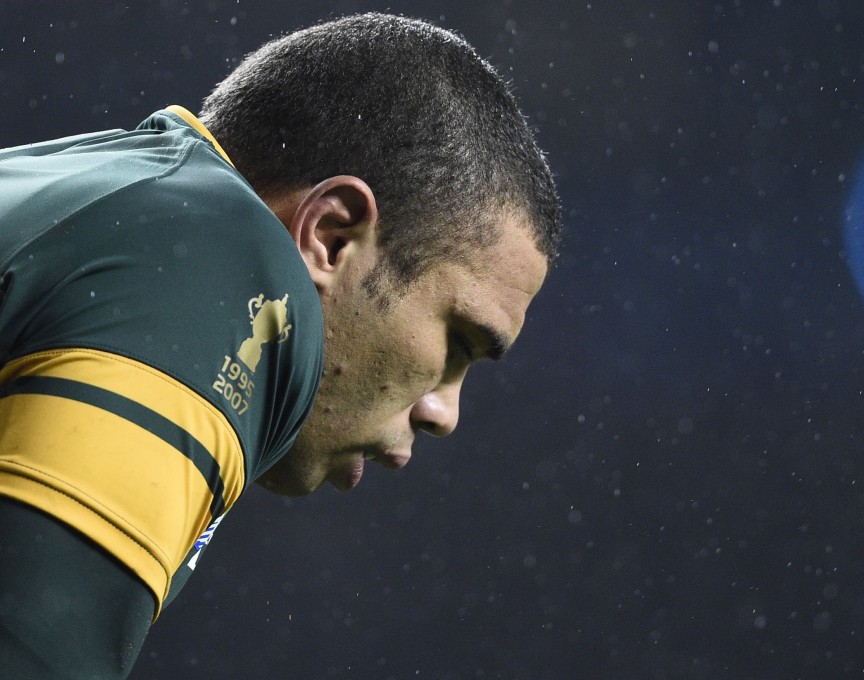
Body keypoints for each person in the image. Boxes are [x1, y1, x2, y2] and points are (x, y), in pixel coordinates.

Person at [0, 12, 561, 679]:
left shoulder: (97, 194)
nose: (445, 413)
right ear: (332, 238)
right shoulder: (214, 260)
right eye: (459, 343)